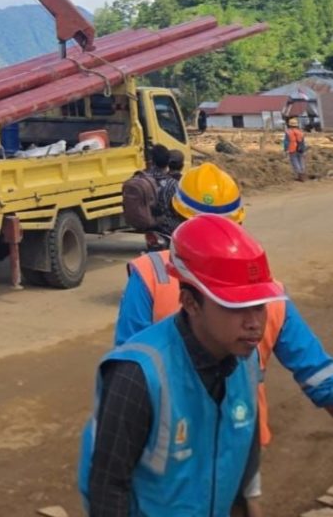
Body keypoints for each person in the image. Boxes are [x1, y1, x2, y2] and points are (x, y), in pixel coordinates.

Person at [113, 163, 333, 514]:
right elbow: (320, 375)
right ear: (240, 222)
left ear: (176, 216)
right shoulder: (266, 291)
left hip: (171, 446)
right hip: (237, 437)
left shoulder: (151, 274)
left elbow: (128, 364)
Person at [80, 215, 286, 517]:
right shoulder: (138, 376)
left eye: (259, 306)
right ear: (190, 303)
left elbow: (244, 454)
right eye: (235, 307)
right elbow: (108, 488)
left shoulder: (247, 360)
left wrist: (249, 501)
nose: (255, 324)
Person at [284, 117, 307, 182]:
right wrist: (304, 149)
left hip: (292, 149)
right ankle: (303, 175)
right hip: (301, 149)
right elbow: (303, 141)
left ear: (289, 125)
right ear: (297, 125)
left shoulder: (288, 132)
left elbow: (286, 142)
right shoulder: (300, 132)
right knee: (301, 161)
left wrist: (286, 149)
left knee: (295, 162)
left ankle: (300, 176)